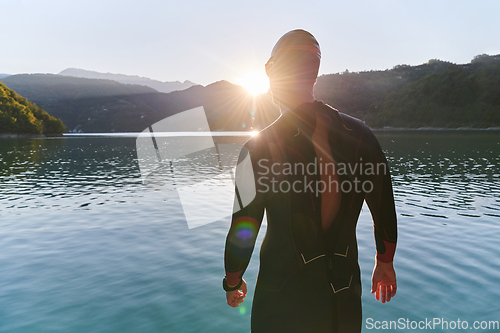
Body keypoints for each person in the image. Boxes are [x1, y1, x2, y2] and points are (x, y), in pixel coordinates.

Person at [223, 29, 397, 333]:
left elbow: (243, 229)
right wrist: (385, 263)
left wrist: (232, 281)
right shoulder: (360, 135)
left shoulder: (258, 147)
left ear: (272, 71)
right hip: (343, 294)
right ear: (313, 75)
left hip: (283, 298)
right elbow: (383, 206)